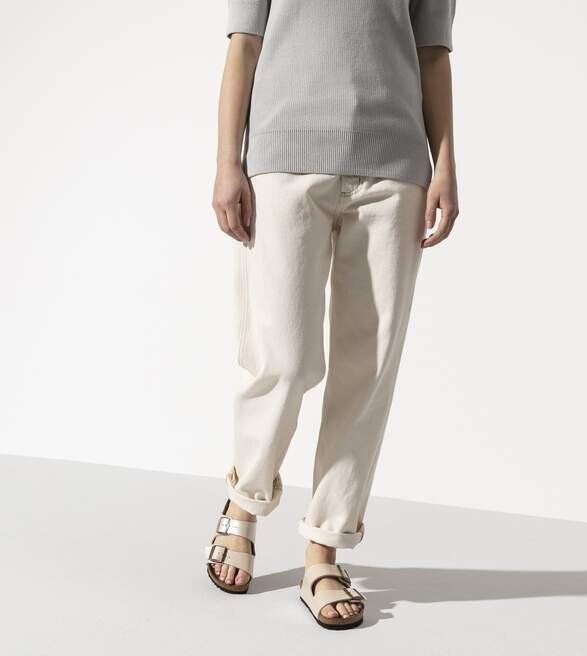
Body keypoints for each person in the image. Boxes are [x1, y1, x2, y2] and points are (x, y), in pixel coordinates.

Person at [206, 0, 459, 630]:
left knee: (366, 372)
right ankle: (244, 498)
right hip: (284, 158)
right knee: (284, 359)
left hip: (394, 169)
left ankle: (325, 548)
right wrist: (227, 162)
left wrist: (446, 165)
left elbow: (432, 54)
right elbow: (244, 43)